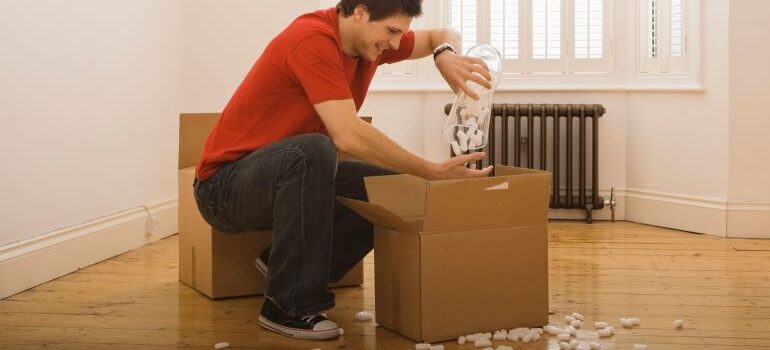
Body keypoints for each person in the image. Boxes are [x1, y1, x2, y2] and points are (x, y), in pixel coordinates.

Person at [193, 0, 493, 341]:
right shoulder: (312, 39)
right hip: (223, 189)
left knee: (395, 191)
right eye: (391, 32)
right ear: (360, 13)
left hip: (286, 179)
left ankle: (284, 265)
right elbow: (347, 134)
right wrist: (431, 170)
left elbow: (440, 32)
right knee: (315, 151)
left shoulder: (369, 42)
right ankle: (287, 305)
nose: (395, 45)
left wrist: (444, 54)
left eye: (402, 34)